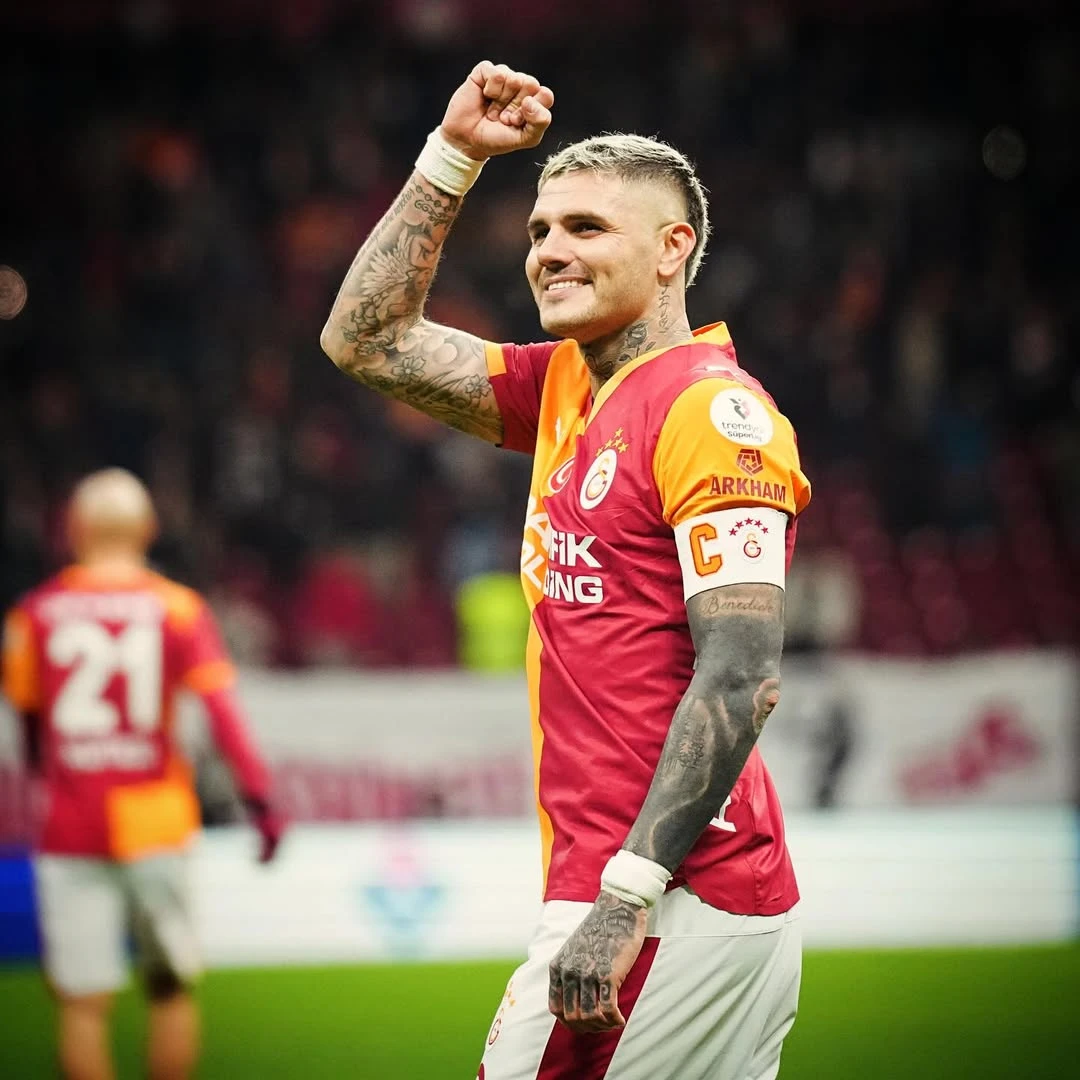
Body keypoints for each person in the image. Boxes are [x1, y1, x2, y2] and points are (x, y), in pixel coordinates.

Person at [320, 61, 811, 1080]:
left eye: (587, 228)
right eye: (541, 230)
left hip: (664, 903)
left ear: (673, 248)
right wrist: (452, 157)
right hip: (659, 900)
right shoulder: (563, 390)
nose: (549, 251)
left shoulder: (713, 413)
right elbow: (364, 340)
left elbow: (741, 675)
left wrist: (624, 899)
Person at [1, 468, 285, 1080]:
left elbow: (28, 725)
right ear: (149, 528)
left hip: (71, 826)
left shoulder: (36, 614)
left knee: (82, 1004)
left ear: (73, 529)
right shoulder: (177, 608)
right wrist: (260, 799)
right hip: (156, 822)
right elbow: (222, 714)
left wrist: (48, 772)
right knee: (169, 990)